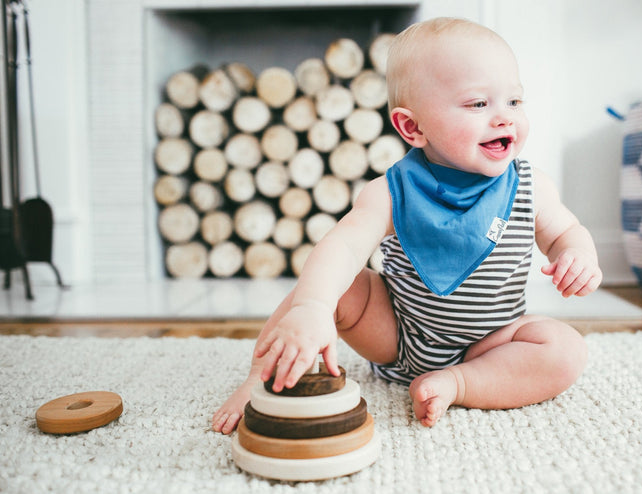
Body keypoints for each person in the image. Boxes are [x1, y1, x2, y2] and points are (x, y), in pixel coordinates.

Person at [213, 17, 602, 434]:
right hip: (397, 333)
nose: (504, 118)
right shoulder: (390, 191)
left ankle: (461, 383)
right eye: (478, 104)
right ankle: (261, 375)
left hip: (491, 344)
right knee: (326, 285)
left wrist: (576, 254)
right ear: (412, 127)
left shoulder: (531, 187)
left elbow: (565, 232)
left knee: (565, 349)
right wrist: (314, 308)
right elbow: (342, 246)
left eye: (514, 101)